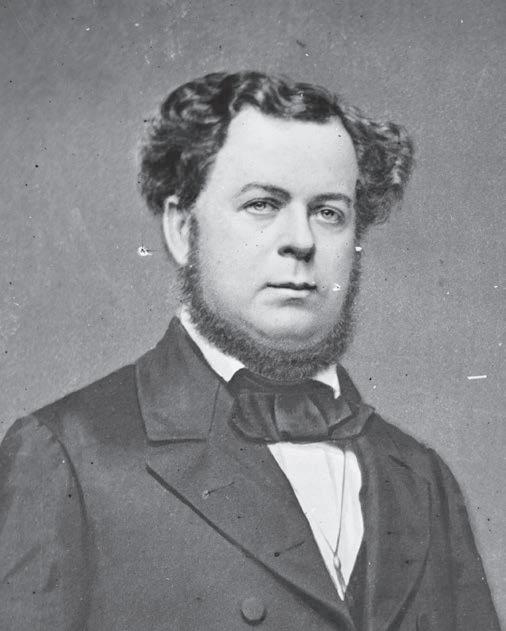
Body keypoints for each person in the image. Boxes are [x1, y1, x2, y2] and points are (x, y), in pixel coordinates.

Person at [0, 71, 500, 630]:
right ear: (183, 230)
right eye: (263, 204)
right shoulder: (67, 455)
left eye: (329, 212)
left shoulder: (422, 478)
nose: (302, 241)